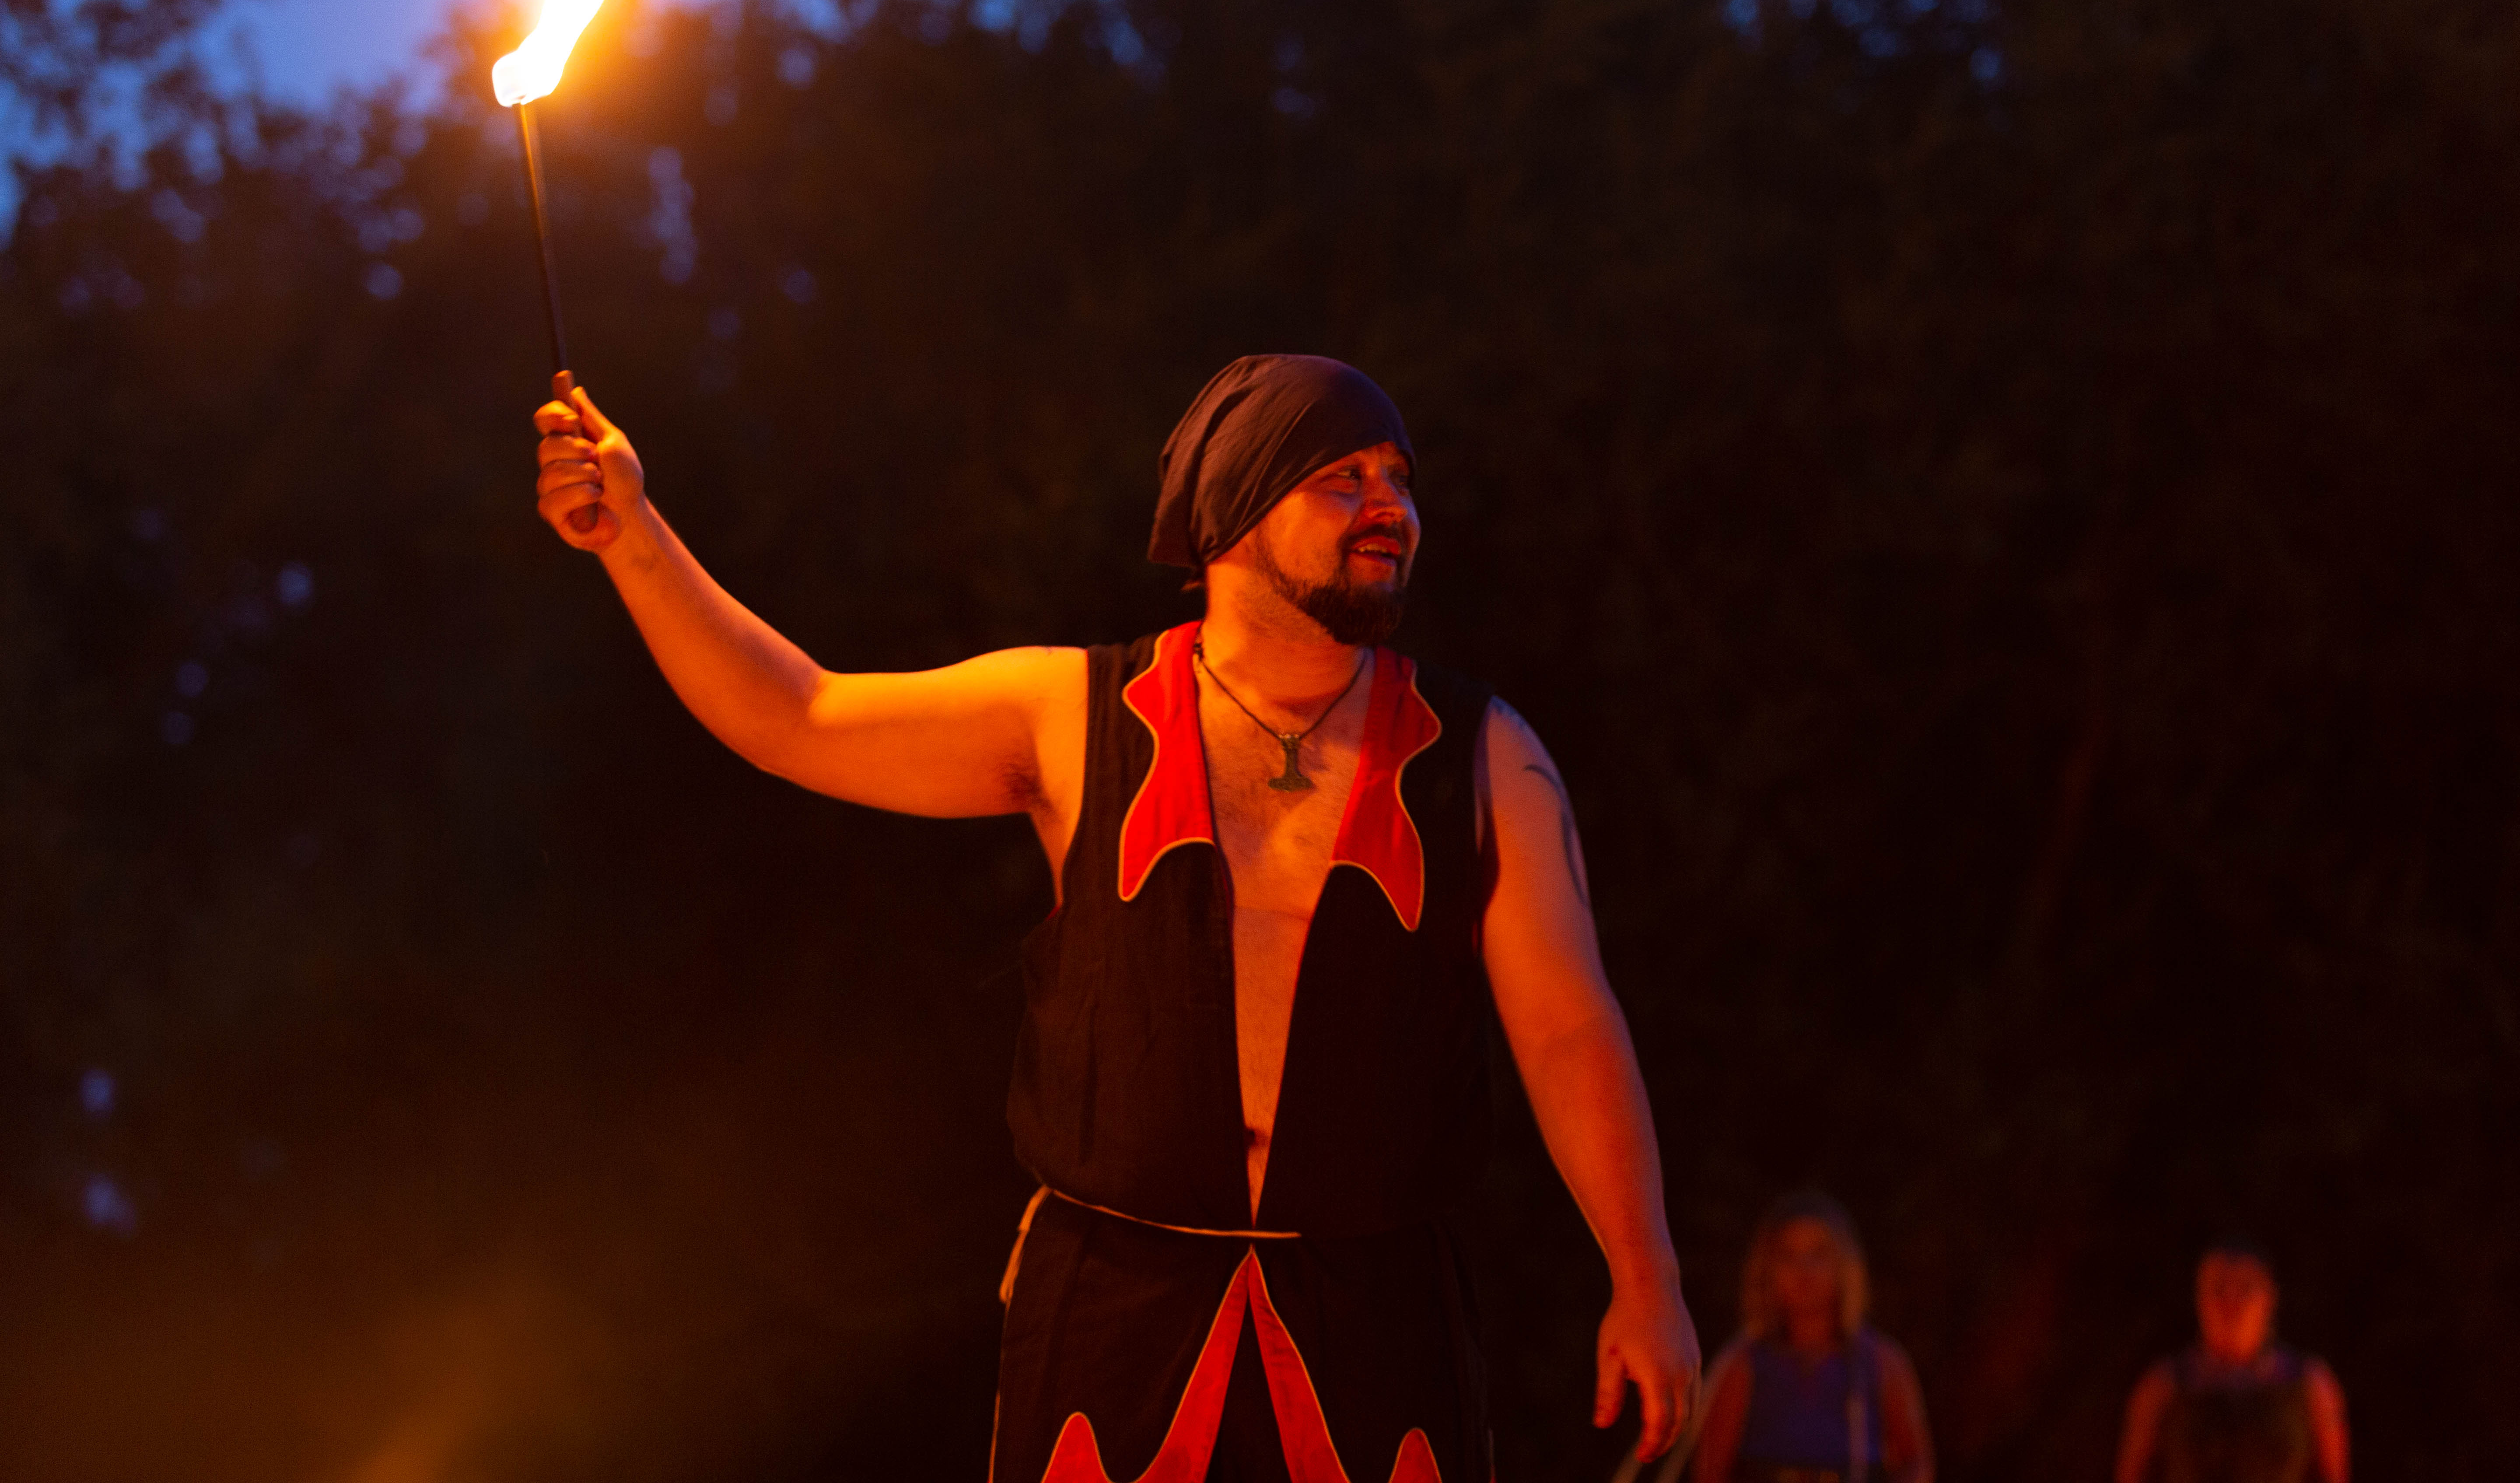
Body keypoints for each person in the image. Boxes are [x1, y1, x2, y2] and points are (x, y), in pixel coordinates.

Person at [531, 354, 1700, 1483]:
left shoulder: (1485, 754)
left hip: (1378, 1319)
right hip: (1113, 1313)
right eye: (1342, 477)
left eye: (1398, 477)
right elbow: (799, 716)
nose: (1389, 504)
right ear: (1234, 509)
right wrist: (633, 536)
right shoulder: (1070, 711)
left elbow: (1566, 1026)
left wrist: (1645, 1279)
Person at [1687, 1192, 1932, 1483]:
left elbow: (1917, 1463)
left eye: (1819, 1254)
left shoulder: (1881, 1361)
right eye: (1789, 1256)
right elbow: (1710, 1472)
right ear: (1767, 1268)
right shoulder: (1742, 1364)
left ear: (1844, 1265)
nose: (1804, 1271)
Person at [2114, 1239, 2349, 1483]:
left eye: (2245, 1288)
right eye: (2218, 1287)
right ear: (2199, 1296)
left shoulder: (2310, 1386)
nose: (2231, 1301)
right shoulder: (2163, 1387)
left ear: (2270, 1298)